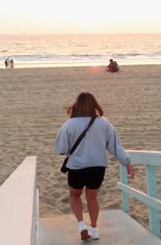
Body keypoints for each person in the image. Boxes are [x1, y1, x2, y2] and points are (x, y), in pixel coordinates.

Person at [54, 92, 134, 241]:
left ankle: (81, 225)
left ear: (77, 105)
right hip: (97, 167)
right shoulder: (104, 123)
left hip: (77, 167)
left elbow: (60, 148)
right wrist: (126, 162)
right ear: (94, 105)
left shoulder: (69, 124)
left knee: (74, 195)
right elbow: (115, 147)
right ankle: (95, 228)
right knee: (92, 197)